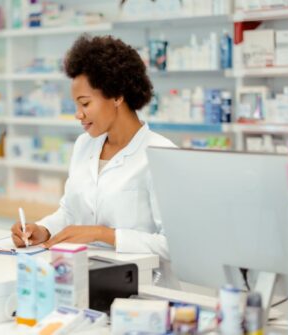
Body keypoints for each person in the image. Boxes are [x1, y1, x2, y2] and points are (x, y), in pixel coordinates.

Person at [11, 34, 178, 286]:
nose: (78, 114)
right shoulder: (84, 145)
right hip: (82, 280)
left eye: (85, 103)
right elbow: (70, 211)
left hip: (143, 291)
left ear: (118, 96)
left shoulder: (160, 154)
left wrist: (104, 234)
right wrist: (43, 230)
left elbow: (174, 244)